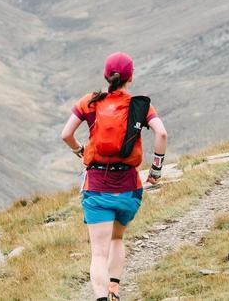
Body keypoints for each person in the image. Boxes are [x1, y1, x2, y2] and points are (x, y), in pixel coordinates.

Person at [61, 52, 168, 301]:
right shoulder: (139, 105)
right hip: (129, 188)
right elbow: (161, 134)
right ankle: (115, 289)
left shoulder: (90, 101)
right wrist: (156, 170)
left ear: (106, 75)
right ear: (130, 77)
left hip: (97, 187)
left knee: (98, 253)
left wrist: (80, 151)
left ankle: (101, 298)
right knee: (117, 238)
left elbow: (66, 134)